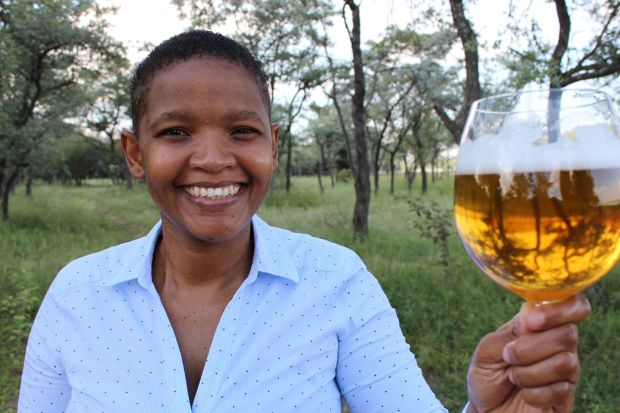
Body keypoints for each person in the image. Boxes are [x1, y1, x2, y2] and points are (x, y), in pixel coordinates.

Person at [18, 30, 591, 413]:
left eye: (242, 131)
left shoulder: (335, 281)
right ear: (135, 153)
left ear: (273, 145)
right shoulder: (77, 294)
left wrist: (486, 409)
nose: (214, 158)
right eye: (176, 132)